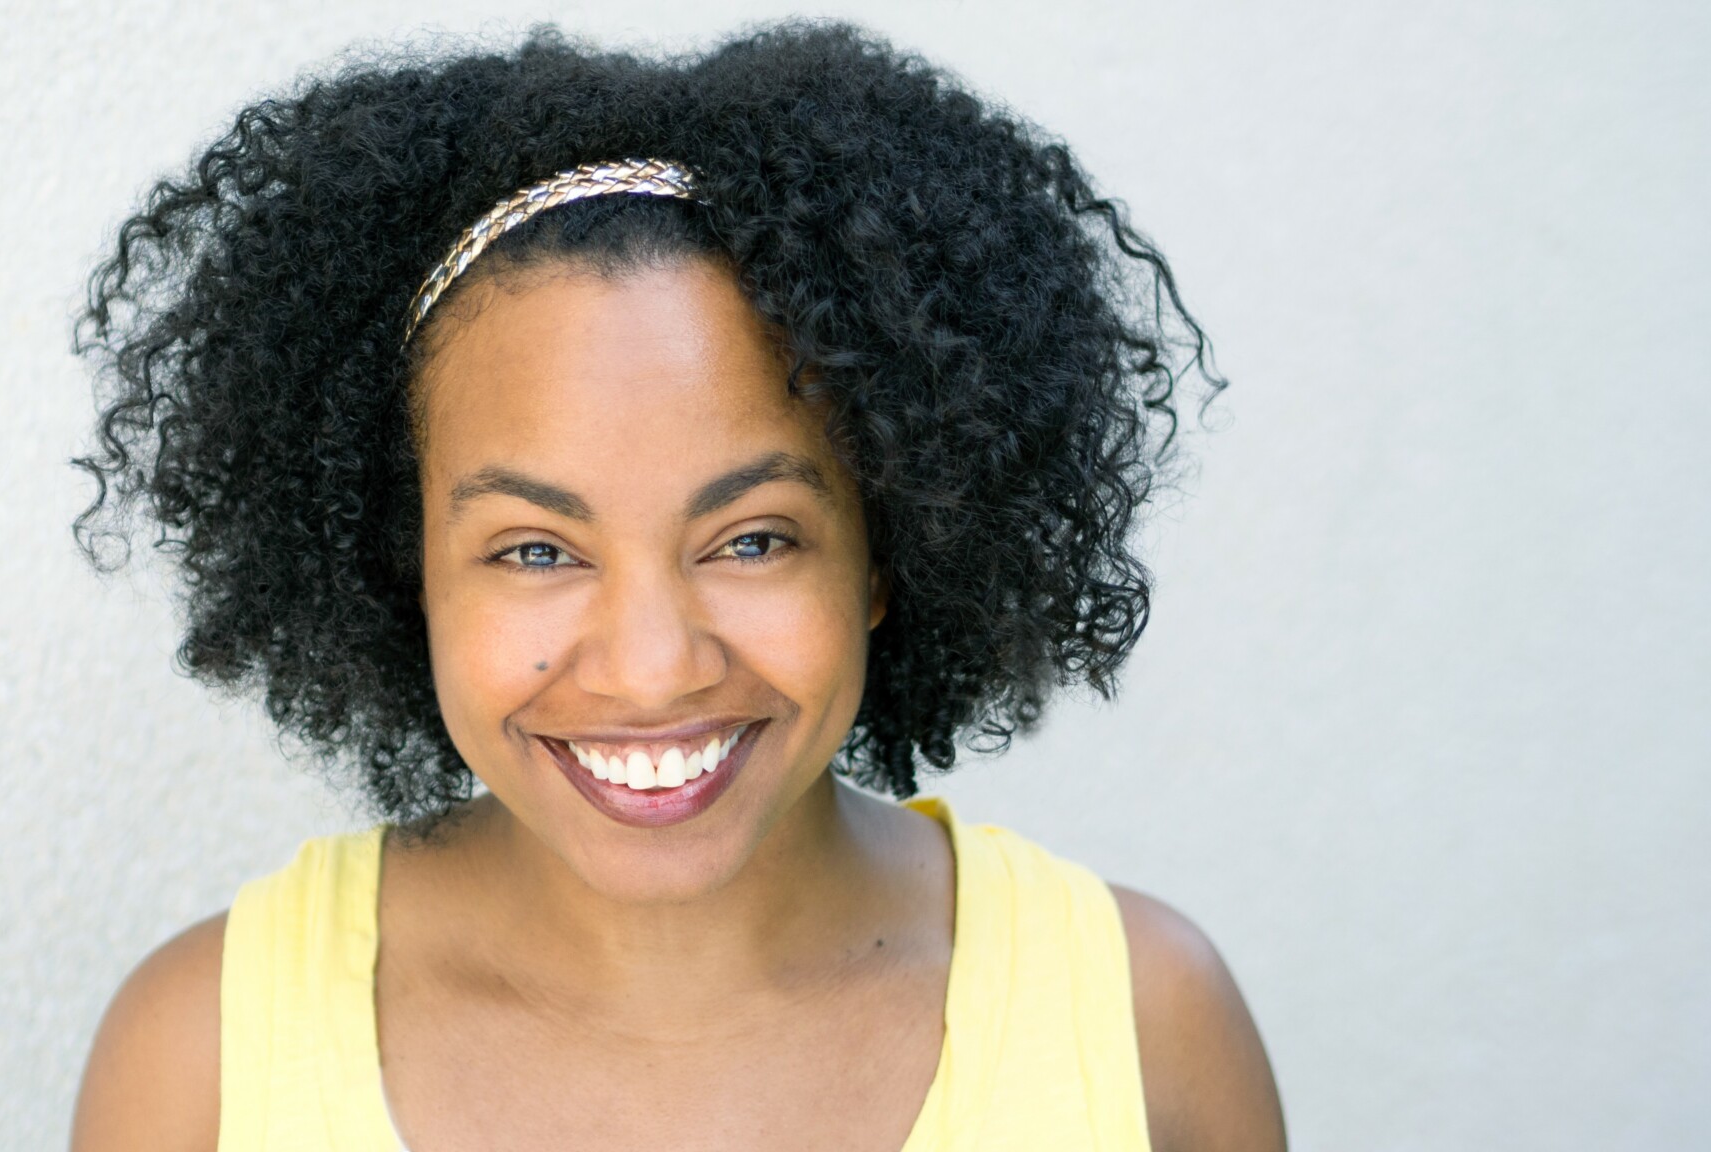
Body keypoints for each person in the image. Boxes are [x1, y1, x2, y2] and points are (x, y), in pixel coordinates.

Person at [66, 21, 1286, 1152]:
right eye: (535, 550)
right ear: (405, 567)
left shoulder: (1144, 1027)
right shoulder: (200, 1060)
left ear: (887, 546)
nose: (652, 669)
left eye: (751, 540)